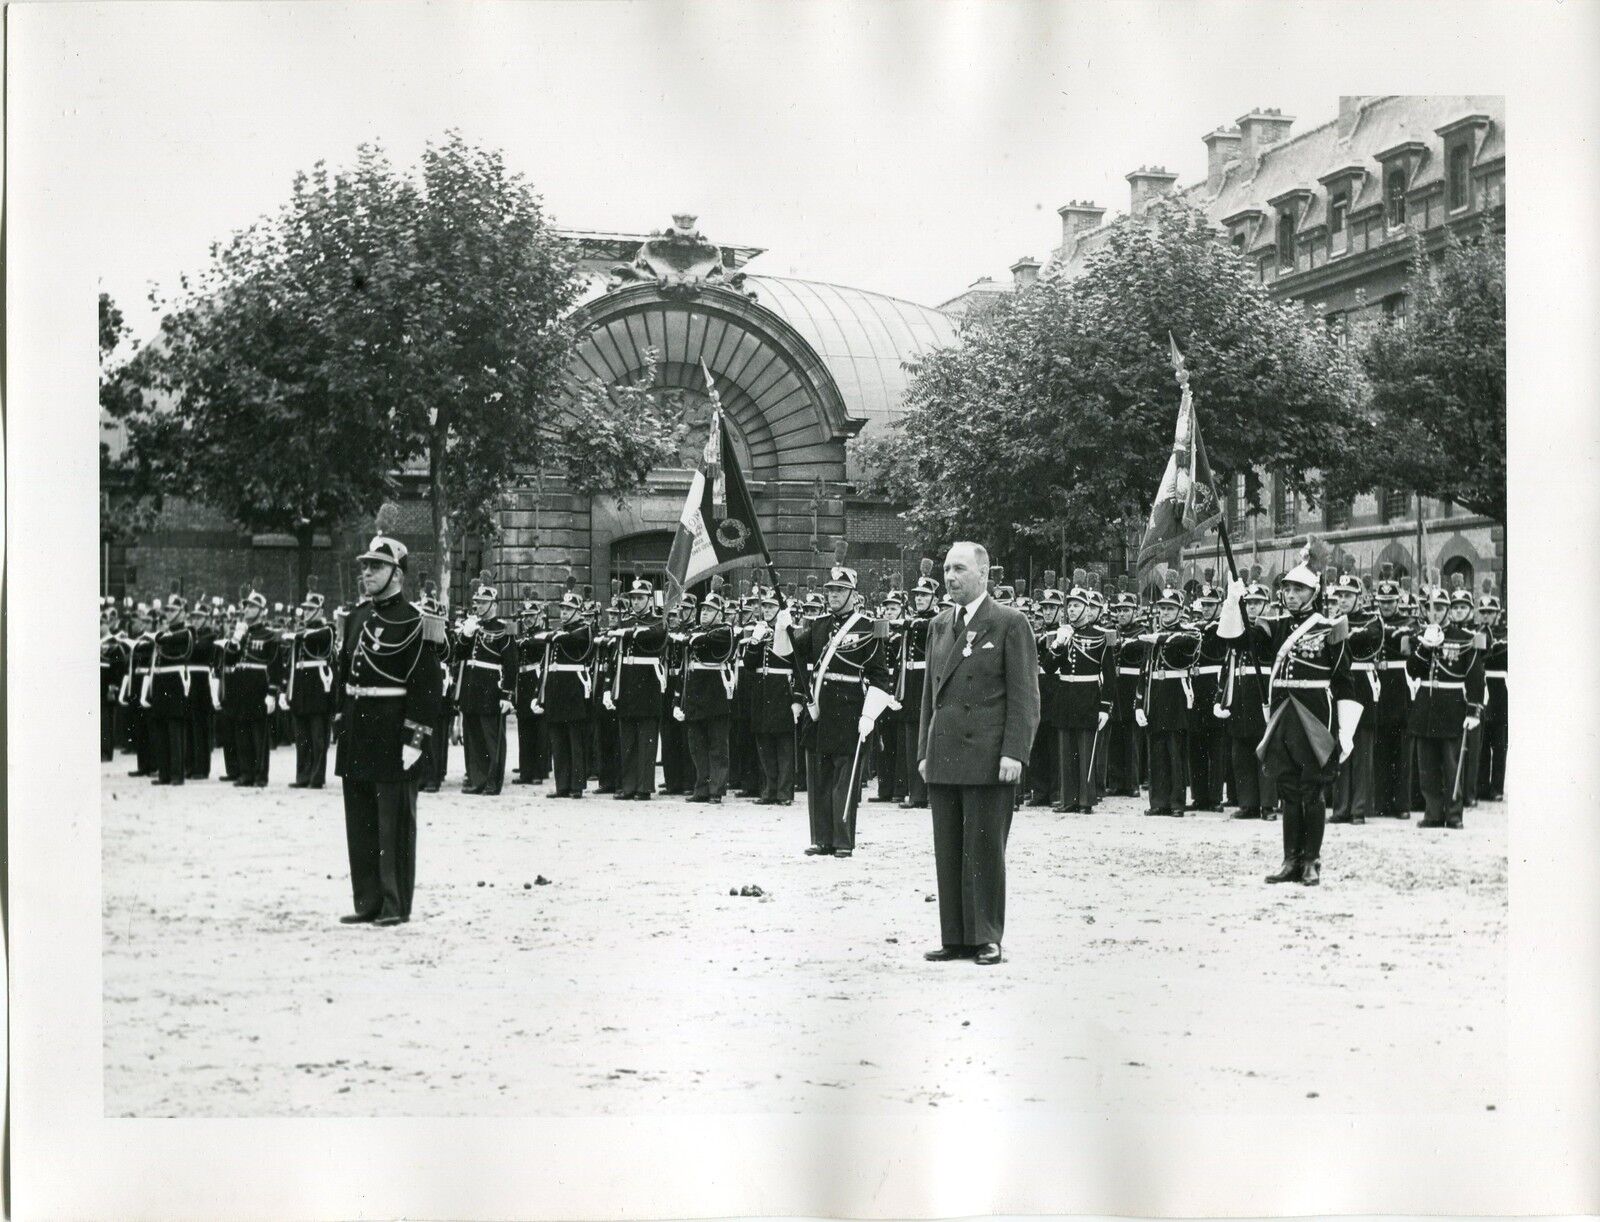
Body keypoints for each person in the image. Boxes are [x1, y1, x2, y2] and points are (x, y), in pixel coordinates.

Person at [915, 541, 1040, 966]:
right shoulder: (937, 626)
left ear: (984, 574)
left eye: (960, 569)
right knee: (948, 848)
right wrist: (923, 751)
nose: (950, 577)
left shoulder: (1008, 623)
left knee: (985, 849)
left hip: (989, 757)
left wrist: (1015, 753)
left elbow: (1025, 697)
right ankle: (955, 936)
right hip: (945, 753)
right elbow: (929, 697)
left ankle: (987, 935)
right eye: (947, 569)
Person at [1217, 549, 1362, 886]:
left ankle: (1311, 860)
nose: (1292, 595)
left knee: (1312, 791)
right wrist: (1233, 601)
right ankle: (1289, 861)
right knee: (1288, 791)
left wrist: (1345, 732)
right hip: (1283, 717)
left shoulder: (1331, 627)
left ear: (1314, 594)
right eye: (1287, 589)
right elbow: (1240, 642)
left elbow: (1344, 682)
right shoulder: (1274, 624)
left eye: (1299, 590)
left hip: (1314, 718)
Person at [334, 527, 445, 927]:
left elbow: (427, 687)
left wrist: (415, 739)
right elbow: (345, 674)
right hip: (359, 733)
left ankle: (395, 904)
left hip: (392, 732)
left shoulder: (416, 621)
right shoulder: (357, 617)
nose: (367, 573)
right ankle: (367, 901)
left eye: (376, 567)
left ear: (397, 573)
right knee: (360, 821)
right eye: (365, 567)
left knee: (392, 824)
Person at [773, 547, 893, 857]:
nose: (833, 596)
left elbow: (880, 677)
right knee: (819, 777)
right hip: (821, 710)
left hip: (852, 710)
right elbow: (792, 657)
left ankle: (842, 841)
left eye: (840, 591)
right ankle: (821, 839)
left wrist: (870, 715)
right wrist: (782, 626)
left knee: (845, 780)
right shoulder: (819, 626)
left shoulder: (868, 627)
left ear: (854, 594)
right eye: (831, 591)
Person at [1408, 585, 1486, 829]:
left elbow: (1475, 676)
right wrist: (1425, 646)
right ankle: (1433, 813)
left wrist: (1473, 710)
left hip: (1452, 707)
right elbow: (1413, 670)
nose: (1435, 613)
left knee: (1452, 765)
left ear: (1448, 611)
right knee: (1427, 766)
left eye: (1440, 608)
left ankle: (1453, 815)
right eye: (1430, 609)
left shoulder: (1463, 638)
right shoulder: (1421, 636)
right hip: (1425, 707)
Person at [1042, 578, 1114, 814]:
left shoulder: (1100, 636)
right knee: (1066, 751)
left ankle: (1085, 800)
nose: (1071, 610)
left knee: (1086, 751)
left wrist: (1105, 707)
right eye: (1069, 606)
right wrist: (1059, 644)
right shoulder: (1061, 635)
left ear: (1086, 608)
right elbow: (1049, 668)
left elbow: (1109, 674)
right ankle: (1068, 799)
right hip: (1066, 697)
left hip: (1088, 697)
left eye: (1076, 605)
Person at [1134, 582, 1200, 818]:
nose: (1165, 613)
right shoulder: (1153, 637)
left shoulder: (1187, 631)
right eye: (1162, 609)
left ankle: (1176, 803)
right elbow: (1144, 672)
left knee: (1175, 753)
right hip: (1155, 698)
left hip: (1176, 699)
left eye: (1170, 609)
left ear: (1180, 611)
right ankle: (1158, 801)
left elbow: (1189, 641)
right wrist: (1139, 704)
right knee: (1157, 753)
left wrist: (1160, 638)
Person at [451, 572, 518, 796]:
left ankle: (492, 781)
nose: (478, 607)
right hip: (471, 688)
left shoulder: (503, 630)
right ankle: (476, 780)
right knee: (473, 738)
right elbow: (458, 655)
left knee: (492, 739)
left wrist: (506, 695)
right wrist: (466, 635)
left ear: (493, 604)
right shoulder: (473, 626)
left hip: (491, 689)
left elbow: (511, 665)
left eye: (482, 603)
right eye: (477, 602)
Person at [605, 576, 668, 800]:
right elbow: (614, 658)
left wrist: (630, 632)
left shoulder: (657, 621)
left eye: (640, 598)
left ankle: (644, 787)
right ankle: (628, 786)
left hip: (647, 685)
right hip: (627, 685)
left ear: (650, 600)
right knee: (628, 741)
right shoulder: (625, 623)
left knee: (647, 741)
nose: (636, 603)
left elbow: (657, 635)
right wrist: (607, 688)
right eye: (633, 598)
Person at [1216, 582, 1275, 819]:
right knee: (1241, 751)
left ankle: (1268, 804)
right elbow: (1227, 666)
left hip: (1261, 694)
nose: (1251, 608)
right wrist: (1220, 699)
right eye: (1248, 603)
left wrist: (1231, 608)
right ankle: (1248, 802)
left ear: (1266, 605)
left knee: (1265, 750)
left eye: (1256, 603)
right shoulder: (1241, 628)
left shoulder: (1268, 626)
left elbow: (1244, 639)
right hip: (1240, 695)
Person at [675, 579, 737, 803]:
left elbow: (718, 639)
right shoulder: (694, 631)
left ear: (720, 614)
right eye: (703, 610)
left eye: (710, 610)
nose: (704, 614)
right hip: (695, 692)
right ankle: (701, 787)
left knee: (717, 745)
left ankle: (716, 789)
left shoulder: (724, 630)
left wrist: (696, 638)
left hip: (714, 693)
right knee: (697, 745)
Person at [1330, 574, 1383, 824]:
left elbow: (1368, 636)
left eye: (1348, 596)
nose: (1342, 600)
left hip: (1361, 687)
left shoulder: (1372, 620)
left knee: (1361, 749)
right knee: (1341, 747)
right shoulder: (1331, 621)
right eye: (1339, 595)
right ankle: (1340, 808)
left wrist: (1343, 630)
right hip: (1340, 687)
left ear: (1359, 598)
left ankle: (1359, 809)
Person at [537, 580, 594, 798]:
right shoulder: (558, 633)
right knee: (558, 741)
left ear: (579, 612)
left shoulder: (584, 630)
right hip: (556, 691)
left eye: (568, 609)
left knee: (574, 741)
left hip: (574, 692)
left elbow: (577, 639)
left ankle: (577, 785)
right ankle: (562, 785)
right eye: (562, 609)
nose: (563, 613)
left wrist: (557, 636)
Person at [222, 586, 283, 787]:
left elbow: (274, 665)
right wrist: (236, 639)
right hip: (241, 686)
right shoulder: (242, 633)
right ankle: (246, 773)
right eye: (246, 606)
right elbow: (229, 660)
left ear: (261, 610)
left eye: (251, 606)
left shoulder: (269, 635)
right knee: (242, 732)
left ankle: (260, 775)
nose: (246, 609)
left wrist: (272, 692)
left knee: (259, 734)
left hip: (259, 687)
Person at [743, 586, 797, 804]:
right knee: (764, 742)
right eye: (764, 606)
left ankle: (784, 792)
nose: (766, 609)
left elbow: (796, 663)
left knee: (783, 745)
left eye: (771, 606)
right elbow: (749, 664)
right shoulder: (760, 630)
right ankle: (769, 790)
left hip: (781, 689)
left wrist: (797, 699)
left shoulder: (787, 631)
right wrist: (755, 642)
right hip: (762, 689)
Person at [894, 560, 939, 810]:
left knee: (928, 738)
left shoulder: (936, 619)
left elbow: (928, 626)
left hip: (927, 680)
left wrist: (908, 623)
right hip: (911, 682)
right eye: (917, 596)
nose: (919, 599)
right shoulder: (913, 620)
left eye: (924, 596)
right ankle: (916, 793)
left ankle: (930, 792)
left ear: (934, 598)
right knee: (912, 739)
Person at [1369, 569, 1413, 819]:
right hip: (1378, 684)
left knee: (1400, 748)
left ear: (1398, 602)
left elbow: (1406, 651)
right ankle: (1382, 801)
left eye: (1390, 602)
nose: (1386, 606)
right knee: (1380, 746)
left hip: (1398, 684)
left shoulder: (1407, 623)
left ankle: (1402, 805)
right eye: (1382, 602)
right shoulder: (1372, 623)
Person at [285, 583, 337, 789]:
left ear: (319, 610)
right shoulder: (302, 631)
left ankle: (317, 776)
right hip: (301, 686)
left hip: (317, 687)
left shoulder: (326, 629)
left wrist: (300, 634)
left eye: (309, 609)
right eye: (304, 608)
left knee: (317, 735)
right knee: (302, 736)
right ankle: (303, 775)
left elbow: (322, 637)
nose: (305, 612)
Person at [145, 587, 196, 786]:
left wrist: (163, 637)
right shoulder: (165, 634)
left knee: (175, 730)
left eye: (173, 610)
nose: (169, 613)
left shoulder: (186, 631)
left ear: (182, 612)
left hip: (175, 682)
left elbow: (184, 641)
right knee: (161, 729)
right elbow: (161, 641)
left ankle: (177, 774)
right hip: (161, 681)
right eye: (167, 610)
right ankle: (164, 773)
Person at [1477, 587, 1507, 801]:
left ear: (1498, 614)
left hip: (1500, 688)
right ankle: (1481, 786)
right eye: (1483, 612)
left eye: (1490, 612)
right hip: (1483, 684)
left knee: (1499, 742)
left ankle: (1497, 787)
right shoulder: (1477, 633)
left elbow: (1497, 653)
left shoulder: (1505, 634)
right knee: (1482, 740)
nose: (1486, 616)